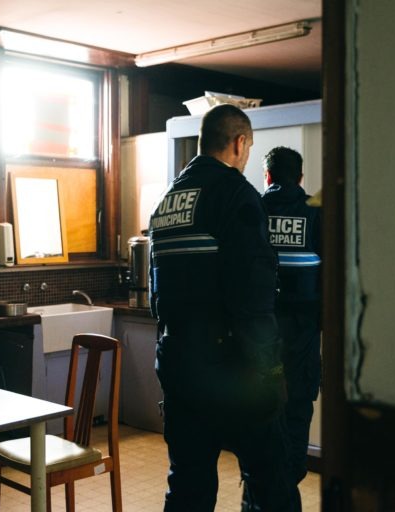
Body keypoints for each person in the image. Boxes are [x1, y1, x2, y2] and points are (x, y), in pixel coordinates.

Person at [149, 104, 298, 512]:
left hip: (178, 364)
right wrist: (271, 370)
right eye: (247, 148)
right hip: (234, 368)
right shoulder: (235, 194)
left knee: (188, 485)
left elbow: (154, 298)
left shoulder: (167, 201)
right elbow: (253, 297)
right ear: (238, 143)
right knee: (271, 481)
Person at [261, 146, 322, 501]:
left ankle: (269, 493)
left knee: (262, 425)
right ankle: (286, 488)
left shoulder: (253, 207)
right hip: (302, 343)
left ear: (267, 175)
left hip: (260, 341)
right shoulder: (315, 212)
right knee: (298, 417)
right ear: (300, 178)